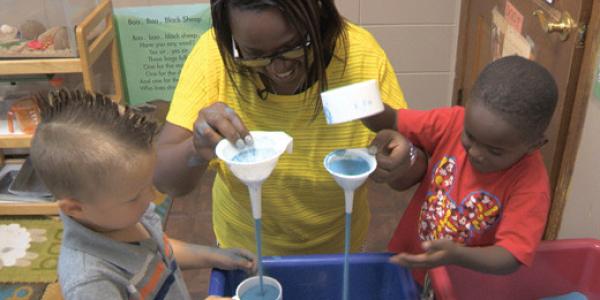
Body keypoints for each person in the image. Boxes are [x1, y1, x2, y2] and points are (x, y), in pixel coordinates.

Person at [154, 0, 406, 255]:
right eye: (254, 55)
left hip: (339, 249)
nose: (278, 68)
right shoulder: (214, 56)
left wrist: (402, 158)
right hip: (244, 251)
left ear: (321, 21)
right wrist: (195, 149)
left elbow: (409, 170)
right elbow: (165, 180)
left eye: (294, 47)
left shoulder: (360, 56)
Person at [30, 89, 256, 299]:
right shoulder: (90, 282)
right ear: (75, 208)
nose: (151, 198)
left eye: (148, 184)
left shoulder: (126, 215)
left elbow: (159, 249)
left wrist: (215, 256)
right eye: (135, 195)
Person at [369, 56, 558, 284]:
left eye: (495, 151)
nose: (475, 153)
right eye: (469, 136)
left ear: (534, 144)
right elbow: (394, 119)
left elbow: (511, 256)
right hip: (410, 260)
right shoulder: (453, 120)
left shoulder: (531, 186)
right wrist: (364, 107)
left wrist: (458, 255)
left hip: (462, 282)